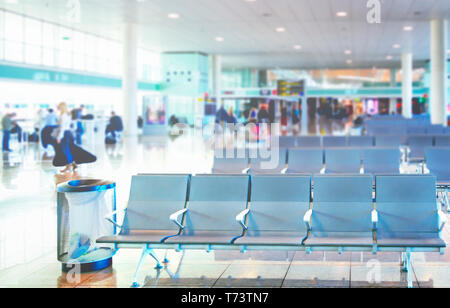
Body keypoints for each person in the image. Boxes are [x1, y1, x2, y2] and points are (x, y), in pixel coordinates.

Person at [53, 102, 96, 173]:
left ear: (62, 107)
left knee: (66, 151)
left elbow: (63, 127)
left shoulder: (63, 115)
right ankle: (73, 165)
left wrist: (59, 137)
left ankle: (68, 167)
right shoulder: (68, 114)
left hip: (64, 134)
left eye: (59, 106)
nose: (58, 108)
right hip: (68, 133)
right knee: (69, 150)